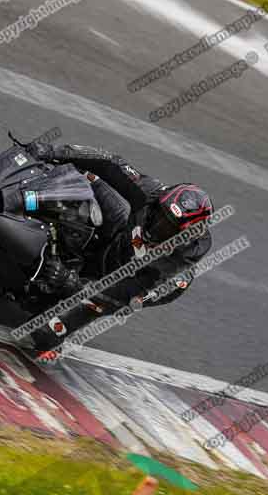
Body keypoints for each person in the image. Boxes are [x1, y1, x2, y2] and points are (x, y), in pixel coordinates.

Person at [23, 142, 214, 363]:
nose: (156, 224)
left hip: (113, 288)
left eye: (166, 227)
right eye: (158, 214)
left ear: (184, 235)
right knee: (83, 175)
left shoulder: (172, 274)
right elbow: (110, 163)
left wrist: (71, 281)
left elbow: (118, 296)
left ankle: (57, 335)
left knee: (44, 331)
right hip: (117, 238)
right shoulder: (152, 194)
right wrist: (53, 151)